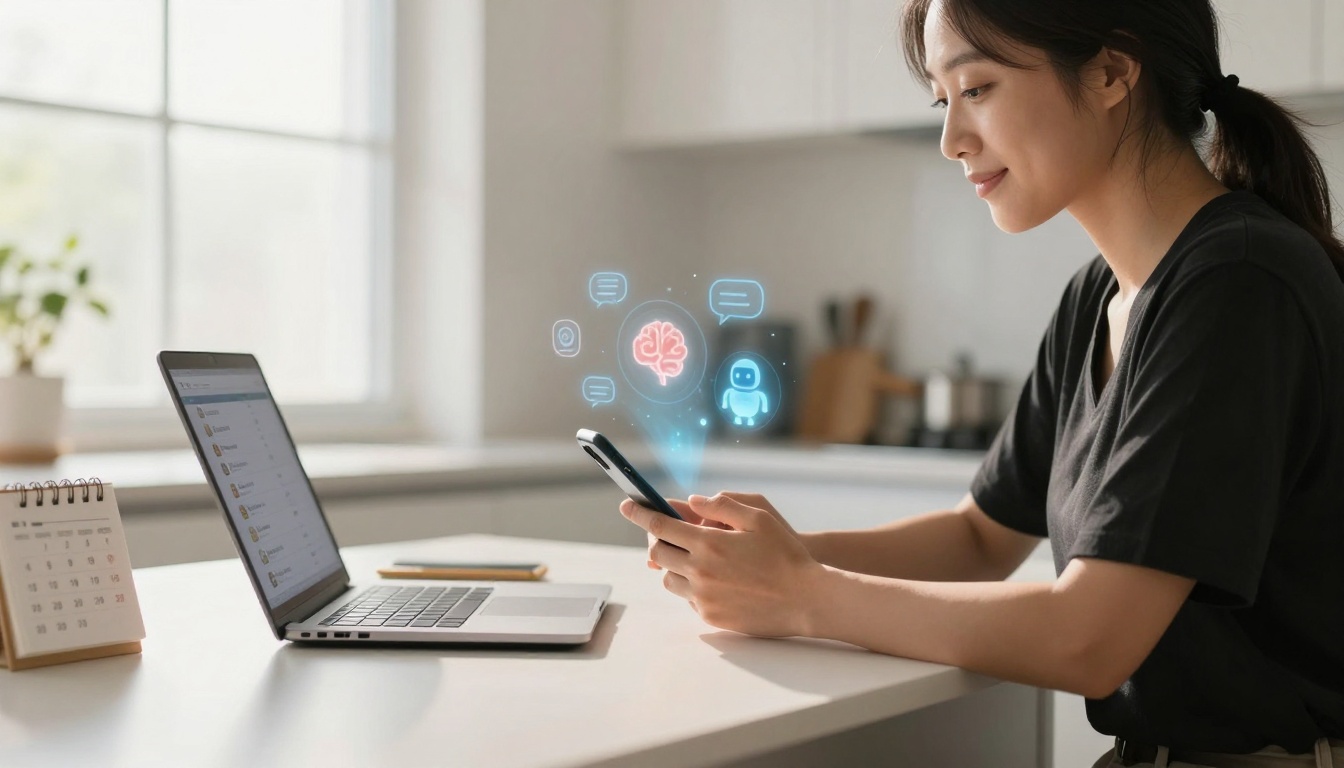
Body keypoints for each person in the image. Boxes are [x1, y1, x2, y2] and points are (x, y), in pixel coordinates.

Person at [616, 1, 1344, 766]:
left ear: (1110, 72)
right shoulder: (1101, 296)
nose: (951, 140)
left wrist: (802, 593)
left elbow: (1090, 639)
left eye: (977, 89)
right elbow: (977, 539)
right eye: (943, 101)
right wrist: (778, 555)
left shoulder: (1237, 283)